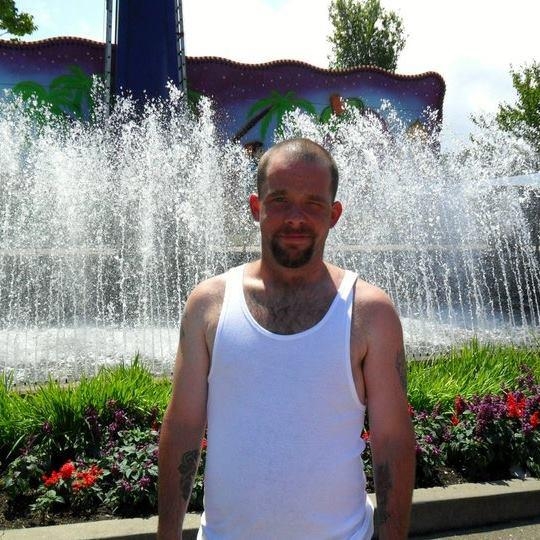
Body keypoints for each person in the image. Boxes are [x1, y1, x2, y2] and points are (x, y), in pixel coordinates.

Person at [157, 137, 416, 540]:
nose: (296, 217)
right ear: (256, 208)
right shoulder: (208, 305)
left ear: (334, 214)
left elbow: (393, 440)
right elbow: (184, 427)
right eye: (279, 200)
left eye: (313, 203)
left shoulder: (371, 314)